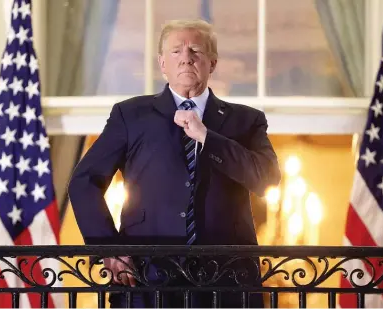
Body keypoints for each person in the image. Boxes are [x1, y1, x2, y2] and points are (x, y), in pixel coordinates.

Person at [68, 19, 281, 308]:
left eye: (196, 50)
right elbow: (84, 182)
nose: (186, 58)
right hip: (146, 277)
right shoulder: (130, 115)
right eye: (176, 51)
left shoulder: (246, 120)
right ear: (162, 63)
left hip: (227, 280)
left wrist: (207, 137)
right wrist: (110, 248)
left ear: (213, 63)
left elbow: (266, 178)